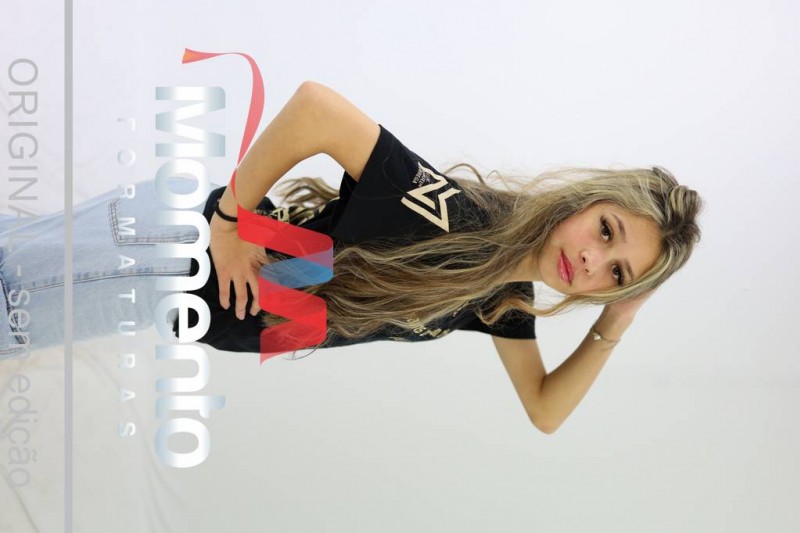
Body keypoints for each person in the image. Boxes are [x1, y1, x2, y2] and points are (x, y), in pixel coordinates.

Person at [0, 81, 702, 434]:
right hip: (173, 260)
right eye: (605, 231)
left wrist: (619, 317)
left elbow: (544, 409)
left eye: (616, 272)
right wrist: (229, 221)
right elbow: (317, 109)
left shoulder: (500, 295)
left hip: (173, 287)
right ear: (584, 202)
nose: (592, 262)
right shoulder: (456, 217)